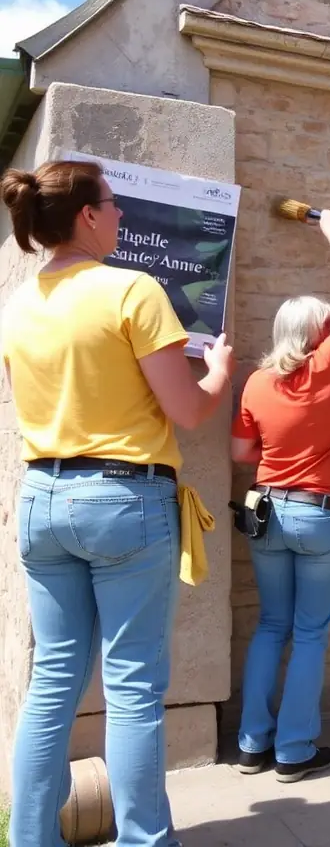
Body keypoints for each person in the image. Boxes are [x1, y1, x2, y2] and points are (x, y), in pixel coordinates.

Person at [0, 159, 235, 847]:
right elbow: (188, 410)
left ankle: (30, 840)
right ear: (88, 216)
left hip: (43, 496)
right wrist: (217, 373)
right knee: (133, 692)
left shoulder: (15, 301)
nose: (123, 214)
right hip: (124, 499)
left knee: (53, 685)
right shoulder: (133, 289)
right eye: (113, 203)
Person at [231, 209, 330, 783]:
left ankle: (251, 743)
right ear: (318, 334)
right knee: (309, 632)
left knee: (270, 626)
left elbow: (240, 456)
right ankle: (293, 750)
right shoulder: (329, 365)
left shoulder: (257, 382)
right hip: (319, 515)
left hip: (266, 513)